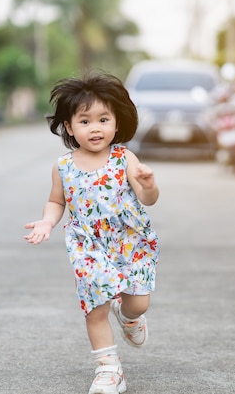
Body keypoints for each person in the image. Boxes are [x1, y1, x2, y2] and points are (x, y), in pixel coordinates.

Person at [24, 70, 160, 394]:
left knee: (138, 304)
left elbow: (147, 199)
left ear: (116, 123)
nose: (95, 128)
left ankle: (127, 317)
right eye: (85, 121)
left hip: (129, 241)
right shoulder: (63, 166)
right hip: (87, 244)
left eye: (103, 119)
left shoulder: (124, 157)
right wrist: (47, 221)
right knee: (95, 305)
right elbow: (56, 201)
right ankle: (109, 370)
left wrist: (150, 185)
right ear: (69, 127)